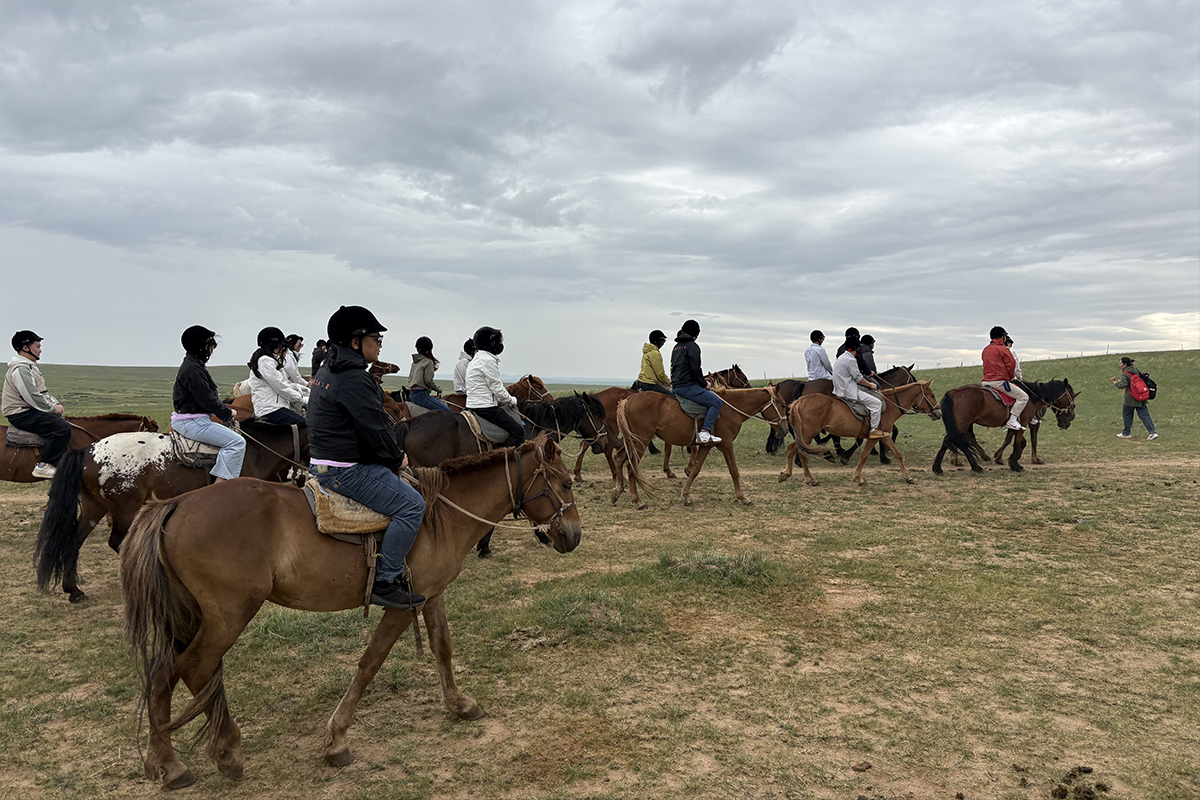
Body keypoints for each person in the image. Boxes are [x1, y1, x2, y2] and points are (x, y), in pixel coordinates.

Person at [308, 305, 426, 610]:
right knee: (413, 506)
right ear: (355, 341)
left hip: (324, 460)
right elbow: (375, 430)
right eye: (376, 338)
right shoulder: (354, 379)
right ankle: (385, 581)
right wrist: (397, 458)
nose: (380, 344)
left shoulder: (328, 370)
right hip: (346, 469)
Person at [171, 325, 245, 482]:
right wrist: (227, 413)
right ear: (203, 348)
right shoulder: (193, 370)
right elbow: (207, 399)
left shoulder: (193, 365)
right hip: (194, 422)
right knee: (237, 442)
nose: (212, 350)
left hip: (191, 420)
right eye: (211, 346)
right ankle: (221, 486)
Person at [3, 330, 71, 479]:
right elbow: (32, 396)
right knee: (62, 428)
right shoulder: (21, 370)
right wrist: (51, 409)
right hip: (21, 413)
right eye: (38, 346)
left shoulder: (30, 368)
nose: (40, 350)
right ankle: (44, 465)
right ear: (26, 348)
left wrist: (55, 404)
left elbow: (42, 392)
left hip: (29, 411)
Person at [465, 326, 523, 447]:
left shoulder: (475, 360)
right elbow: (497, 388)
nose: (499, 344)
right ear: (490, 343)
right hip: (486, 408)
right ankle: (504, 456)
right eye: (497, 341)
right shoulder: (488, 361)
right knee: (518, 432)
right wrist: (512, 400)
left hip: (471, 405)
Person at [670, 319, 723, 444]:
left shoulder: (676, 347)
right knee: (716, 402)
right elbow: (695, 368)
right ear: (696, 334)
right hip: (687, 387)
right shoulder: (692, 346)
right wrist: (705, 384)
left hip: (676, 387)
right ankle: (705, 432)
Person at [249, 326, 309, 426]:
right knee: (305, 426)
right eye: (280, 345)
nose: (282, 348)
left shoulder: (272, 361)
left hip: (278, 408)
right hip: (270, 410)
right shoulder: (265, 361)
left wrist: (304, 390)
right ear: (273, 345)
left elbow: (286, 384)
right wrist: (303, 399)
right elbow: (281, 387)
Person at [832, 334, 885, 439]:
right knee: (876, 404)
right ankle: (874, 430)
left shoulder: (841, 358)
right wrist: (871, 385)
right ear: (857, 348)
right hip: (849, 392)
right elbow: (859, 378)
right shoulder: (851, 360)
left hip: (839, 390)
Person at [981, 325, 1027, 431]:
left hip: (985, 382)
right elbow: (1011, 365)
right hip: (999, 382)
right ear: (1003, 337)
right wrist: (1010, 377)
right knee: (1023, 397)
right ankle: (1012, 420)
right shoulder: (1004, 349)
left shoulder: (986, 350)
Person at [1113, 357, 1157, 440]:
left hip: (1130, 399)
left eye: (1121, 363)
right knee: (1145, 416)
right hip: (1141, 397)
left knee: (1127, 415)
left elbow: (1122, 385)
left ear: (1125, 364)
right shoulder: (1136, 371)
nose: (1120, 365)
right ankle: (1152, 432)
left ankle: (1126, 433)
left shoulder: (1125, 374)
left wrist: (1115, 383)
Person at [408, 337, 450, 412]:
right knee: (446, 410)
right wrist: (438, 389)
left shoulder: (414, 363)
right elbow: (428, 380)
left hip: (411, 395)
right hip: (422, 395)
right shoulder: (428, 362)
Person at [634, 329, 672, 395]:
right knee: (671, 397)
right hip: (649, 384)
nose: (663, 343)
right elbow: (660, 373)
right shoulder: (655, 353)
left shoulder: (647, 352)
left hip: (641, 381)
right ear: (657, 341)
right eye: (663, 341)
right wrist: (668, 381)